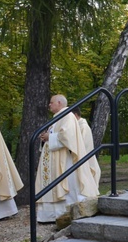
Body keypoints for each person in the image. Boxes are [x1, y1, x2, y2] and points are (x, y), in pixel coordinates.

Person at [36, 95, 99, 223]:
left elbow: (68, 136)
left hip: (63, 160)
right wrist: (46, 137)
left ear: (59, 103)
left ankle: (63, 213)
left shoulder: (68, 116)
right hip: (54, 158)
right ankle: (50, 215)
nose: (49, 105)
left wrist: (50, 137)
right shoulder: (59, 117)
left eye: (51, 102)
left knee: (66, 185)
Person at [72, 107, 101, 191]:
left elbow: (82, 145)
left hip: (84, 158)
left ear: (75, 115)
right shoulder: (77, 125)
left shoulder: (83, 127)